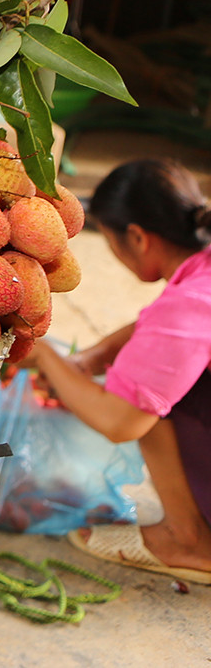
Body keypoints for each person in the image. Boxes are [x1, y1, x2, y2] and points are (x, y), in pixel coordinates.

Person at [16, 158, 211, 584]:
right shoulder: (202, 274)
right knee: (148, 373)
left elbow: (121, 421)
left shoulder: (191, 304)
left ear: (138, 237)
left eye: (109, 241)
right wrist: (94, 358)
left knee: (149, 404)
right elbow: (161, 329)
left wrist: (46, 356)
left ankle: (188, 540)